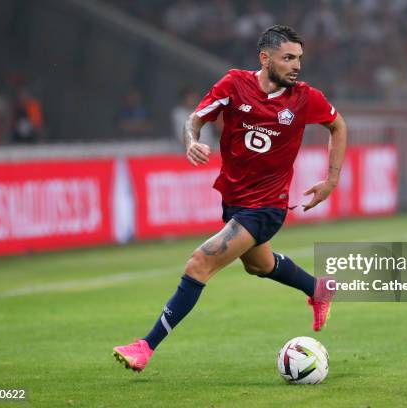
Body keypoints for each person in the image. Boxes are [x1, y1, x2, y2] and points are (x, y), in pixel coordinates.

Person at [113, 25, 347, 373]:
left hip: (267, 206)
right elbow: (195, 118)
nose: (296, 66)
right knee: (260, 266)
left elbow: (337, 125)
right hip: (235, 200)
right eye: (287, 58)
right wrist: (191, 141)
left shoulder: (304, 98)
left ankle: (145, 346)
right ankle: (318, 288)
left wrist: (331, 180)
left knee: (199, 263)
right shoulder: (235, 84)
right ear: (265, 58)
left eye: (299, 58)